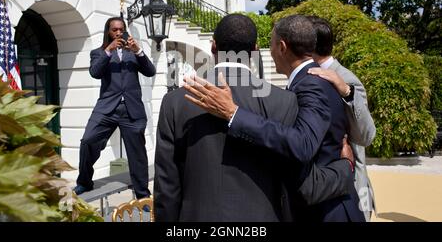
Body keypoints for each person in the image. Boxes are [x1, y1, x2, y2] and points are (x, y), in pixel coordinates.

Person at [154, 14, 355, 222]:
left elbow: (167, 187)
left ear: (213, 47)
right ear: (256, 50)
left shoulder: (175, 102)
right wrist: (344, 168)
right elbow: (298, 179)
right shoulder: (284, 101)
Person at [73, 17, 156, 200]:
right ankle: (84, 182)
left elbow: (150, 71)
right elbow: (95, 73)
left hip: (132, 110)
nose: (118, 33)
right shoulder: (99, 52)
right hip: (107, 109)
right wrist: (109, 50)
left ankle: (142, 195)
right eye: (114, 30)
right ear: (108, 32)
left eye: (121, 29)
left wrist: (139, 51)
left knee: (137, 154)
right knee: (88, 141)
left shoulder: (133, 53)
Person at [307, 16, 376, 221]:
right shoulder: (310, 76)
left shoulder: (345, 78)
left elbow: (366, 135)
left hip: (349, 191)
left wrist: (347, 91)